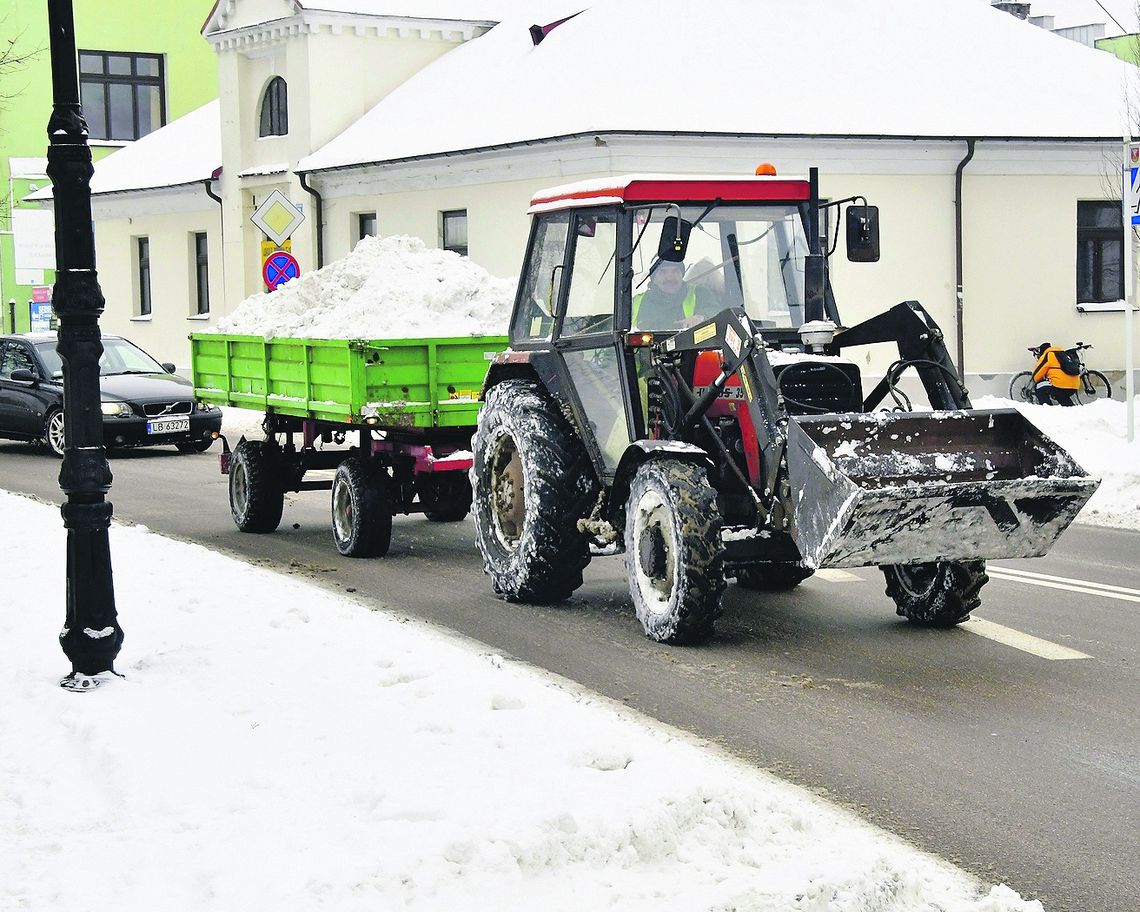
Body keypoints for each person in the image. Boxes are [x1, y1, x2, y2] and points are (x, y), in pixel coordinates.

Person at [632, 260, 716, 329]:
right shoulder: (634, 303)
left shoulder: (699, 293)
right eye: (663, 272)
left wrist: (702, 317)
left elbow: (719, 311)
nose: (670, 277)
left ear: (681, 275)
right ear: (654, 279)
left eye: (675, 271)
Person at [1031, 341, 1078, 406]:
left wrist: (1035, 378)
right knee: (1060, 395)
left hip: (1060, 385)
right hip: (1074, 386)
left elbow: (1037, 374)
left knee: (1038, 386)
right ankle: (1070, 409)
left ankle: (1048, 409)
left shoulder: (1048, 354)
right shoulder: (1064, 354)